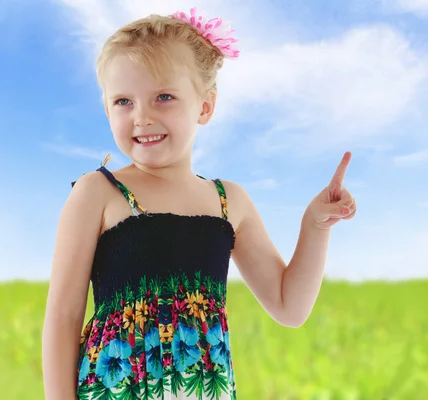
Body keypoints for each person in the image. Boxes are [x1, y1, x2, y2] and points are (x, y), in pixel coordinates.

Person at [41, 7, 356, 400]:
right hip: (116, 387)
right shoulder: (96, 192)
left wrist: (316, 226)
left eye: (164, 97)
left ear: (205, 106)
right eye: (124, 101)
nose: (142, 117)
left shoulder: (229, 202)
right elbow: (63, 317)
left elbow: (289, 307)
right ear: (107, 108)